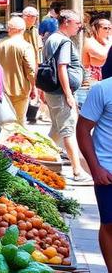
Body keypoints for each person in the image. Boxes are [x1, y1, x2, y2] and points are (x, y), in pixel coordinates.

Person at [76, 76, 112, 273]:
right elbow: (82, 129)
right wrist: (95, 167)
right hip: (108, 171)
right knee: (109, 223)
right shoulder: (103, 89)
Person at [42, 9, 88, 181]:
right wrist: (69, 95)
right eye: (77, 24)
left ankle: (40, 158)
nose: (79, 27)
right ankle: (77, 171)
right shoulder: (63, 41)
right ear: (66, 22)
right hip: (60, 93)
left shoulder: (51, 38)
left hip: (53, 91)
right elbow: (61, 67)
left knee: (56, 129)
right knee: (68, 130)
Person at [0, 16, 37, 124]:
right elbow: (30, 70)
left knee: (4, 122)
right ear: (22, 29)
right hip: (20, 90)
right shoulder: (26, 46)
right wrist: (34, 87)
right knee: (19, 122)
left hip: (0, 89)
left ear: (9, 29)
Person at [80, 17, 111, 106]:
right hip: (94, 80)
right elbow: (104, 55)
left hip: (107, 78)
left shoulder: (108, 41)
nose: (108, 30)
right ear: (96, 28)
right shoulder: (90, 42)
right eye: (105, 28)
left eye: (110, 28)